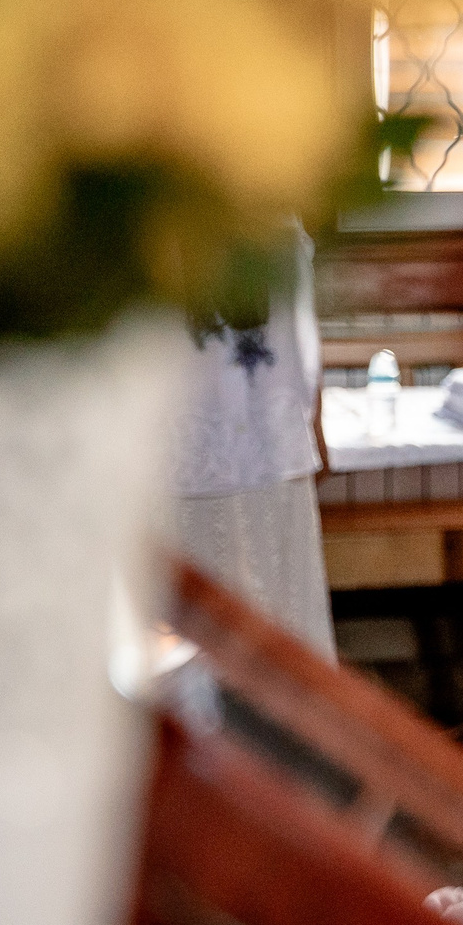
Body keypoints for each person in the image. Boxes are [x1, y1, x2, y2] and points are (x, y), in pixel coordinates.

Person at [171, 219, 336, 660]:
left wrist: (312, 429)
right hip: (191, 444)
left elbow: (302, 334)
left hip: (268, 441)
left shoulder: (275, 214)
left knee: (279, 617)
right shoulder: (158, 211)